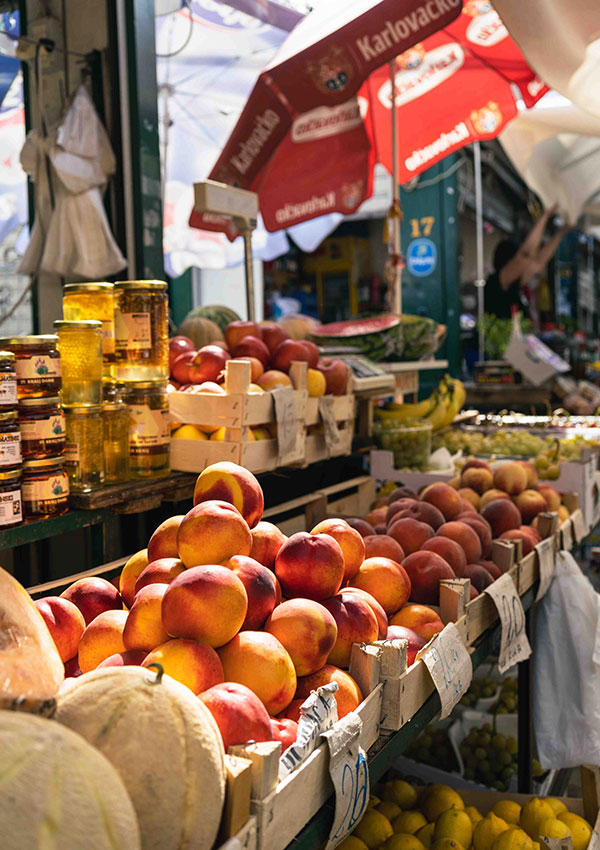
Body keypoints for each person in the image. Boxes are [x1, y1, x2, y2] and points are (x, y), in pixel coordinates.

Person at [484, 204, 571, 320]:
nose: (525, 264)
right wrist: (545, 216)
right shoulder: (497, 282)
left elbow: (539, 263)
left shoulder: (513, 283)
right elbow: (525, 256)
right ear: (508, 260)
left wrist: (562, 232)